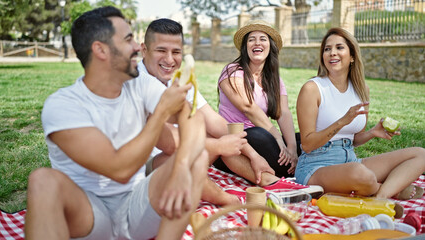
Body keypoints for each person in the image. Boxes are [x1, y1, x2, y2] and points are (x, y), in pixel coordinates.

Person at [24, 6, 209, 240]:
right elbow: (119, 169)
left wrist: (181, 165)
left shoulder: (139, 84)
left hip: (136, 209)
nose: (136, 47)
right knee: (42, 180)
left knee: (196, 157)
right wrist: (161, 112)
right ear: (101, 50)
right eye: (128, 39)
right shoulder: (63, 105)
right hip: (88, 217)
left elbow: (193, 118)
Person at [139, 18, 321, 197]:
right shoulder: (141, 84)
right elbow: (170, 142)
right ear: (144, 50)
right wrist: (223, 146)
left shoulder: (179, 80)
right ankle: (272, 181)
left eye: (176, 52)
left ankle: (278, 178)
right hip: (149, 165)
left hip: (189, 155)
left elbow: (214, 122)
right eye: (161, 50)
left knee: (298, 142)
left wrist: (258, 154)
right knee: (234, 139)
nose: (170, 60)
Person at [295, 27, 425, 200]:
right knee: (362, 175)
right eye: (327, 49)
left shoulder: (361, 90)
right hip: (316, 166)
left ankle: (380, 196)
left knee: (420, 154)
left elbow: (352, 139)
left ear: (352, 56)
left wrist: (372, 133)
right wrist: (342, 121)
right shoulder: (312, 89)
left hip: (350, 160)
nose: (332, 53)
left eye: (339, 47)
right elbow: (307, 144)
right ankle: (389, 189)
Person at [216, 19, 299, 179]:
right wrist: (277, 137)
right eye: (251, 39)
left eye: (262, 39)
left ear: (270, 46)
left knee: (301, 141)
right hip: (237, 142)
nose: (257, 43)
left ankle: (294, 165)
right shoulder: (232, 72)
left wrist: (292, 148)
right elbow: (248, 107)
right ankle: (293, 170)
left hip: (264, 138)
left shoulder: (274, 79)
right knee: (259, 135)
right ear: (245, 47)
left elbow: (284, 113)